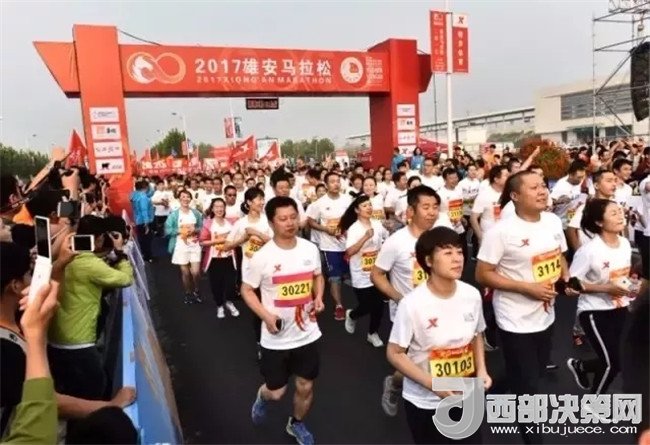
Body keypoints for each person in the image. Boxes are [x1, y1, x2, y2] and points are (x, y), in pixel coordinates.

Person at [475, 171, 573, 445]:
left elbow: (559, 256)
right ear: (515, 196)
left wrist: (566, 279)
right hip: (514, 319)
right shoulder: (500, 232)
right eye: (534, 188)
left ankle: (487, 394)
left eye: (543, 186)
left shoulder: (553, 221)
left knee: (532, 372)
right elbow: (482, 274)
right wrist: (525, 288)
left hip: (546, 315)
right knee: (528, 388)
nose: (542, 191)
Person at [387, 227, 490, 444]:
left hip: (466, 392)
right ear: (429, 261)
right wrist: (433, 384)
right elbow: (395, 353)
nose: (457, 259)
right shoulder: (412, 304)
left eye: (459, 252)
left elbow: (476, 334)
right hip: (426, 402)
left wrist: (481, 369)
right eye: (447, 253)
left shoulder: (471, 295)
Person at [243, 197, 325, 445]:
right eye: (283, 219)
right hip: (276, 338)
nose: (290, 223)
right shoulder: (262, 257)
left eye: (293, 217)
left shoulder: (309, 249)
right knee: (277, 392)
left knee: (305, 386)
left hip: (307, 332)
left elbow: (317, 276)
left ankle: (296, 423)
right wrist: (266, 316)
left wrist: (318, 297)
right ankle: (262, 397)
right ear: (271, 222)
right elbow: (247, 290)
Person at [372, 185, 442, 417]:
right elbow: (377, 274)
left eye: (435, 207)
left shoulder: (442, 236)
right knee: (415, 362)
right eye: (426, 207)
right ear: (411, 211)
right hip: (409, 315)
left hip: (440, 309)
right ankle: (394, 385)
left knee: (434, 357)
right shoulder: (396, 242)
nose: (432, 212)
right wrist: (399, 298)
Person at [48, 216, 134, 400]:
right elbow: (126, 279)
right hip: (79, 341)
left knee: (69, 391)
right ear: (100, 238)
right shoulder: (91, 265)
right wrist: (120, 253)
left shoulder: (62, 258)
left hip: (55, 337)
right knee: (96, 390)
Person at [566, 199, 634, 394]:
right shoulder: (589, 251)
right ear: (599, 222)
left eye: (620, 211)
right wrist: (606, 289)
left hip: (620, 307)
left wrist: (631, 285)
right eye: (613, 213)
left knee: (622, 358)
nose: (620, 216)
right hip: (594, 311)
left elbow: (622, 277)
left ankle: (581, 366)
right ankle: (593, 404)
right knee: (612, 363)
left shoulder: (624, 243)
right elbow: (572, 284)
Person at [339, 195, 389, 347]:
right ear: (357, 210)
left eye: (370, 205)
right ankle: (352, 315)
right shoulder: (354, 229)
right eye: (364, 206)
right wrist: (365, 238)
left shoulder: (377, 224)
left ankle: (372, 333)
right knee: (367, 305)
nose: (369, 208)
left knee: (379, 306)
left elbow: (386, 239)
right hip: (361, 273)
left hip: (377, 272)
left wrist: (389, 228)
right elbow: (349, 252)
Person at [226, 188, 273, 348]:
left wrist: (257, 234)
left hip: (269, 269)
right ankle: (260, 342)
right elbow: (226, 246)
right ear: (248, 202)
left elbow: (276, 242)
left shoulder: (268, 220)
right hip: (250, 272)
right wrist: (242, 239)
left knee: (271, 305)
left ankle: (275, 337)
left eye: (262, 199)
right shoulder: (241, 223)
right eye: (258, 199)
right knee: (258, 309)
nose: (262, 202)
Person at [306, 171, 352, 320]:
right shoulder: (319, 203)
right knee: (335, 277)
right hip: (330, 246)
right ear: (326, 185)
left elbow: (354, 218)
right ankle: (339, 306)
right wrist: (325, 229)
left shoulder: (348, 200)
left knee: (351, 275)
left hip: (349, 244)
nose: (336, 184)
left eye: (338, 181)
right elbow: (311, 221)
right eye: (332, 182)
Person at [199, 198, 240, 319]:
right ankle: (220, 305)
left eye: (221, 206)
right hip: (214, 260)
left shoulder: (231, 222)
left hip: (229, 258)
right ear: (212, 209)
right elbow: (202, 242)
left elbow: (238, 236)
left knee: (231, 284)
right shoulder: (208, 223)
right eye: (216, 207)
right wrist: (218, 241)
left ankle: (229, 302)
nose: (219, 209)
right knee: (216, 285)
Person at [165, 189, 204, 304]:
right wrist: (180, 230)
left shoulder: (196, 213)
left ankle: (197, 290)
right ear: (179, 199)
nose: (186, 199)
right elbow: (167, 230)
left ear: (190, 199)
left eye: (188, 197)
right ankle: (188, 293)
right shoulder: (174, 215)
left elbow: (202, 227)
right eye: (183, 197)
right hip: (180, 246)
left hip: (194, 245)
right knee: (185, 273)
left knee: (196, 272)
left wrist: (195, 230)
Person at [470, 164, 509, 247]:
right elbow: (473, 218)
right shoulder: (484, 195)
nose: (509, 177)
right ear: (496, 179)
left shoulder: (508, 193)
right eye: (506, 175)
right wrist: (481, 238)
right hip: (489, 238)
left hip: (505, 237)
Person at [130, 180, 154, 262]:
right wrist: (146, 223)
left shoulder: (134, 195)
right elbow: (144, 210)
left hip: (138, 220)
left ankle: (145, 254)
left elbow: (151, 193)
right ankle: (148, 257)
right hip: (144, 221)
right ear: (145, 187)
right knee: (147, 239)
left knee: (142, 239)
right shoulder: (143, 197)